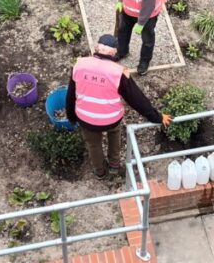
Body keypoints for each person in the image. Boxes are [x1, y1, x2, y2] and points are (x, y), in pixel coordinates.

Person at [66, 34, 172, 178]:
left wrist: (71, 117)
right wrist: (157, 117)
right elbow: (137, 99)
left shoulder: (79, 65)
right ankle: (114, 166)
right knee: (114, 135)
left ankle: (100, 172)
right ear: (114, 52)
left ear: (96, 48)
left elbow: (71, 94)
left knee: (93, 145)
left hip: (86, 119)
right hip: (111, 119)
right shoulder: (117, 72)